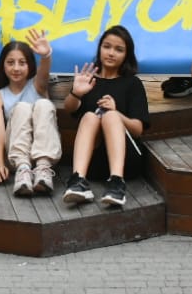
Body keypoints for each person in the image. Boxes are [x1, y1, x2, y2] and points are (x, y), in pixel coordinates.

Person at [61, 26, 148, 209]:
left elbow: (138, 130)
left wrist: (117, 114)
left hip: (126, 161)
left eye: (119, 49)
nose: (111, 53)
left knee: (110, 116)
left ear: (127, 54)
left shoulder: (132, 83)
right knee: (90, 117)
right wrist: (76, 93)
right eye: (107, 46)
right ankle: (78, 180)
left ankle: (117, 183)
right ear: (99, 48)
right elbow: (69, 109)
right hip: (92, 163)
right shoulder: (89, 79)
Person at [0, 30, 60, 197]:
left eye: (22, 63)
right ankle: (23, 172)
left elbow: (44, 74)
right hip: (17, 157)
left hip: (45, 156)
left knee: (43, 104)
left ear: (30, 65)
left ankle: (42, 170)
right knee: (21, 108)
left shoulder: (37, 85)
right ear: (3, 65)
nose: (16, 68)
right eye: (10, 62)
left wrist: (46, 56)